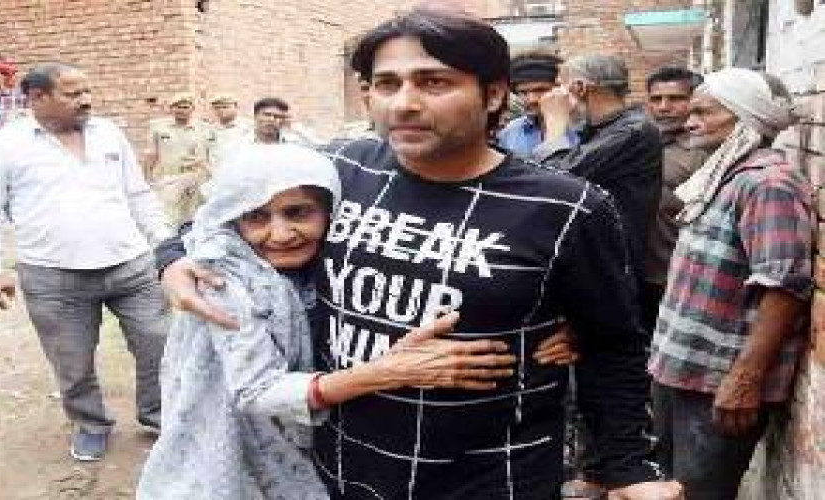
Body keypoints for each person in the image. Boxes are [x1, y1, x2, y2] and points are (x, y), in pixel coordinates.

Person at [157, 8, 681, 499]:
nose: (403, 104)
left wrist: (629, 468)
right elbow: (227, 216)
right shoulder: (342, 168)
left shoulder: (565, 208)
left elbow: (613, 345)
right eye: (387, 84)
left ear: (493, 94)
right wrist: (174, 259)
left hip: (492, 477)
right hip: (340, 469)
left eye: (434, 82)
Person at [138, 144, 515, 499]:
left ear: (332, 211)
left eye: (298, 213)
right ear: (233, 221)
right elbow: (256, 390)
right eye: (256, 217)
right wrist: (386, 371)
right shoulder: (223, 281)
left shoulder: (329, 261)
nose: (281, 234)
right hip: (226, 443)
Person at [0, 63, 171, 462]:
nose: (87, 100)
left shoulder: (107, 133)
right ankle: (90, 424)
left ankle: (159, 415)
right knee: (72, 361)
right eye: (74, 94)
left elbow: (137, 194)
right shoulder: (0, 146)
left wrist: (164, 246)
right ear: (37, 97)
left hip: (131, 266)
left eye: (87, 91)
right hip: (53, 277)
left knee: (159, 343)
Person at [649, 68, 812, 500]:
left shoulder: (768, 184)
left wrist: (744, 379)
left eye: (704, 112)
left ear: (744, 118)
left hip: (716, 382)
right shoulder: (726, 175)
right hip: (682, 371)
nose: (689, 122)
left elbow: (783, 287)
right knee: (667, 488)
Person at [535, 54, 662, 285]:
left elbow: (555, 178)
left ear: (580, 88)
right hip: (596, 253)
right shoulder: (601, 127)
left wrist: (554, 123)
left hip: (616, 262)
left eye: (560, 86)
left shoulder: (631, 130)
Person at [641, 65, 707, 333]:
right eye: (656, 99)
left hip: (684, 276)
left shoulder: (705, 150)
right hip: (639, 274)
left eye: (676, 98)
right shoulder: (638, 143)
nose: (664, 107)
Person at [145, 93, 214, 225]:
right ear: (171, 109)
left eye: (185, 107)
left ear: (192, 109)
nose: (181, 110)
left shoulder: (204, 129)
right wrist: (148, 179)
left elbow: (211, 155)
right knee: (168, 219)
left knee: (194, 219)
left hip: (195, 180)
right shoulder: (158, 127)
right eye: (177, 107)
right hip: (168, 179)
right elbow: (151, 154)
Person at [496, 48, 578, 155]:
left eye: (540, 90)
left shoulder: (584, 130)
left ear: (562, 89)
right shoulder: (510, 133)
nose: (531, 99)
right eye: (523, 92)